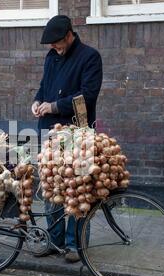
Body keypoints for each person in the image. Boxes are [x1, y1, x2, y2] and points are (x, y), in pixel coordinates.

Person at [32, 15, 103, 263]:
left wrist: (54, 107)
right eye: (51, 44)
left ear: (69, 35)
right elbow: (44, 86)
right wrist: (38, 101)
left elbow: (88, 96)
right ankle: (53, 240)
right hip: (49, 133)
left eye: (57, 43)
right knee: (52, 189)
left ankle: (75, 245)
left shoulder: (89, 57)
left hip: (76, 133)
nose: (53, 47)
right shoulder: (51, 57)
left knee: (77, 191)